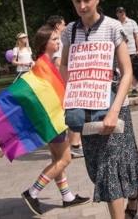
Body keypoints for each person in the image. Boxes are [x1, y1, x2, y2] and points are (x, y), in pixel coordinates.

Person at [60, 0, 138, 219]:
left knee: (110, 169)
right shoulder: (70, 31)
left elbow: (127, 72)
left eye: (87, 0)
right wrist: (70, 92)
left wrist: (114, 111)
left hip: (114, 107)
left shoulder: (113, 27)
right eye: (77, 0)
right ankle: (134, 192)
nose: (82, 5)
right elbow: (63, 64)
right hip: (86, 108)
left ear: (97, 0)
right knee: (96, 168)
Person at [21, 25, 90, 216]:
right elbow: (44, 95)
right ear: (45, 43)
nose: (58, 42)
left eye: (58, 39)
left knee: (56, 159)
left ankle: (67, 197)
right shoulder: (43, 65)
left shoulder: (45, 63)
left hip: (51, 120)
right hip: (54, 121)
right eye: (54, 39)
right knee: (65, 158)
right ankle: (32, 192)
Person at [46, 15, 84, 158]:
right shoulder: (57, 39)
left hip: (58, 82)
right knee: (72, 111)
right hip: (61, 82)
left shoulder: (54, 38)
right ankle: (74, 145)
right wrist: (64, 83)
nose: (65, 25)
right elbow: (57, 62)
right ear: (57, 25)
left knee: (69, 112)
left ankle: (72, 143)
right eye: (63, 23)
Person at [116, 6, 138, 97]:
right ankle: (123, 89)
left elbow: (137, 36)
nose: (122, 13)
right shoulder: (116, 24)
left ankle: (134, 88)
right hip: (120, 51)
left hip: (132, 50)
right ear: (117, 14)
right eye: (120, 12)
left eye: (123, 11)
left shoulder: (132, 22)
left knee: (133, 71)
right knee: (121, 71)